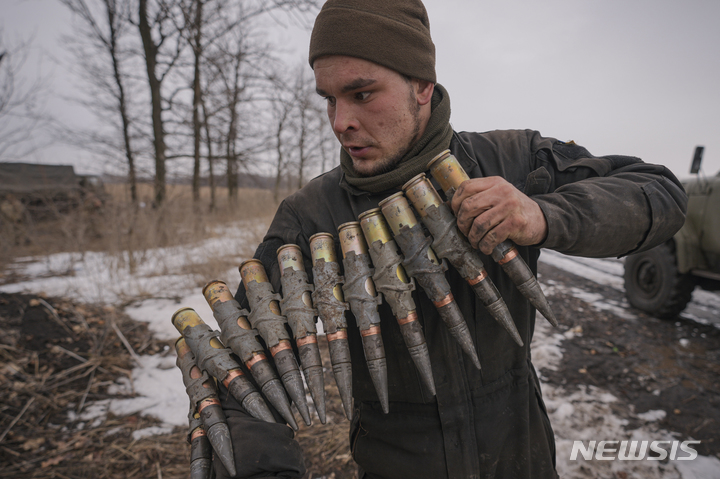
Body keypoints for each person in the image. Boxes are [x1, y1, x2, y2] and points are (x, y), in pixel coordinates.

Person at [214, 1, 688, 477]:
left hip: (521, 458)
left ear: (422, 85)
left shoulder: (510, 159)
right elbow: (242, 371)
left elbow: (658, 191)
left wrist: (542, 214)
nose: (340, 123)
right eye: (329, 99)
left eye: (361, 95)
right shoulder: (311, 218)